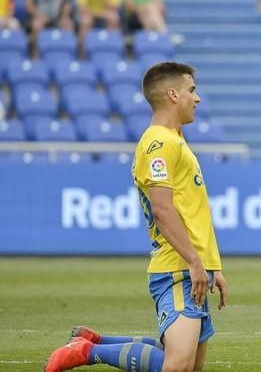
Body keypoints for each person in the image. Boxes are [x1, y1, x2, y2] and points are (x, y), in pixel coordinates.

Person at [45, 61, 229, 372]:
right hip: (177, 267)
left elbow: (190, 212)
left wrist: (213, 267)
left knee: (189, 367)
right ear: (172, 94)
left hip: (192, 266)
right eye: (191, 90)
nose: (197, 98)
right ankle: (88, 352)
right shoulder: (159, 143)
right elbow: (162, 209)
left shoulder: (175, 140)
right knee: (176, 366)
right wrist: (196, 262)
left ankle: (98, 341)